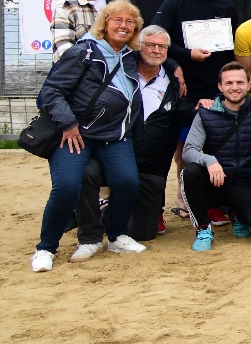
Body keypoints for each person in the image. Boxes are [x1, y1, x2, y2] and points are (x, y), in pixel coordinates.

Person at [31, 0, 148, 272]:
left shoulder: (131, 57)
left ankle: (117, 235)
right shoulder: (84, 52)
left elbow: (161, 53)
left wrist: (177, 69)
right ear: (104, 24)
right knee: (67, 187)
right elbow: (49, 92)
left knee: (128, 182)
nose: (124, 25)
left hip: (114, 137)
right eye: (117, 20)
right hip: (75, 135)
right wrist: (68, 124)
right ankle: (46, 247)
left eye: (130, 22)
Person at [72, 24, 185, 257]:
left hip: (149, 166)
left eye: (162, 47)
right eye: (150, 45)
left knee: (144, 231)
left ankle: (108, 212)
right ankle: (88, 232)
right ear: (138, 46)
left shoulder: (173, 81)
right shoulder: (121, 68)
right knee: (85, 172)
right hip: (114, 154)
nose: (156, 50)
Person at [180, 61, 251, 250]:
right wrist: (210, 160)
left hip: (246, 181)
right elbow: (188, 151)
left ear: (249, 85)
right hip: (216, 180)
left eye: (240, 83)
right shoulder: (205, 113)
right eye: (229, 83)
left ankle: (235, 212)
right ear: (220, 86)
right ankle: (203, 227)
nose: (235, 88)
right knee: (191, 172)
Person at [154, 0, 249, 112]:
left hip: (217, 88)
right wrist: (187, 54)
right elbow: (156, 40)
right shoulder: (175, 2)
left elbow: (231, 49)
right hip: (182, 86)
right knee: (181, 136)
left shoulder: (226, 5)